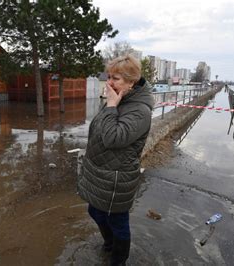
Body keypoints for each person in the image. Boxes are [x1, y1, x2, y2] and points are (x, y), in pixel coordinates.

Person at [77, 54, 154, 265]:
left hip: (117, 177)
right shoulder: (120, 98)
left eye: (116, 78)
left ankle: (118, 259)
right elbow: (99, 129)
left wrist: (111, 106)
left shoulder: (140, 110)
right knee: (95, 211)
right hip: (101, 170)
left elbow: (113, 138)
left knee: (118, 221)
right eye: (109, 76)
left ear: (132, 82)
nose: (109, 82)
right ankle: (110, 244)